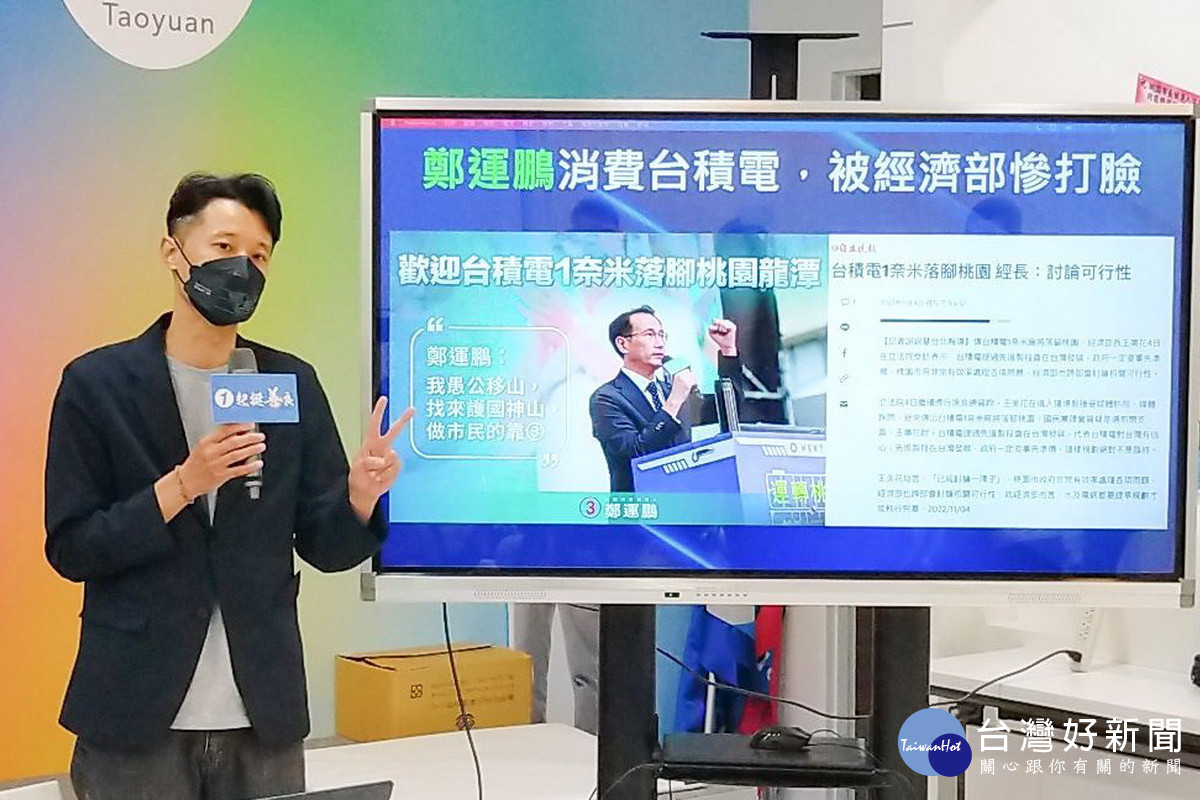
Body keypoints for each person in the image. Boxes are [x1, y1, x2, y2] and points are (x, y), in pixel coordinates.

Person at [43, 172, 413, 800]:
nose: (242, 267)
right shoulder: (97, 384)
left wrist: (359, 495)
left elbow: (325, 547)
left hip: (261, 716)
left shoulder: (288, 382)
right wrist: (184, 484)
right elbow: (73, 548)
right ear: (173, 252)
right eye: (223, 247)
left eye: (259, 255)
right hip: (134, 710)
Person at [589, 305, 742, 493]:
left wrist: (728, 350)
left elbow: (727, 411)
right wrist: (674, 401)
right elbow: (635, 453)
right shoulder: (607, 398)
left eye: (662, 335)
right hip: (641, 505)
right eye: (650, 335)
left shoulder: (673, 388)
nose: (660, 343)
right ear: (623, 344)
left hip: (686, 499)